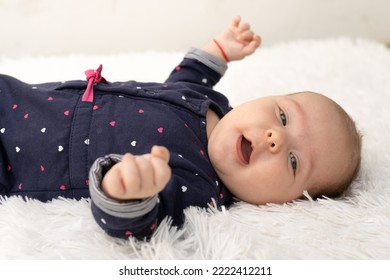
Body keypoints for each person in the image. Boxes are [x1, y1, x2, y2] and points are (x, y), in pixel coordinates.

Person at [0, 17, 361, 240]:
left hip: (21, 157)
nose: (275, 138)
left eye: (294, 162)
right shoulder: (211, 101)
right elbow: (186, 77)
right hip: (22, 98)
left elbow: (141, 225)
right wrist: (219, 50)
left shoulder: (201, 189)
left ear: (287, 205)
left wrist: (127, 192)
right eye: (283, 117)